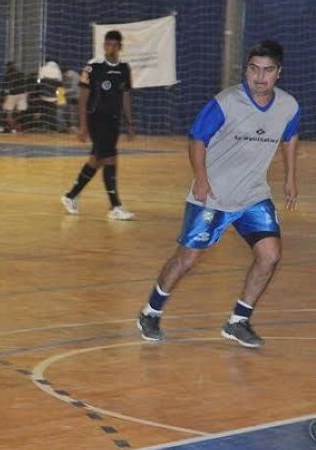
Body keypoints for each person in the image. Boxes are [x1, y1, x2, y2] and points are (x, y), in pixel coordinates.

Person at [136, 40, 299, 348]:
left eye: (267, 70)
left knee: (271, 254)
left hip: (253, 195)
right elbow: (197, 139)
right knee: (187, 260)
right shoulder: (226, 102)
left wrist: (290, 177)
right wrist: (201, 178)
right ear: (246, 69)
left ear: (279, 73)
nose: (260, 77)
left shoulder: (288, 106)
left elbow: (290, 136)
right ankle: (150, 312)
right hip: (213, 194)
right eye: (254, 69)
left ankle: (238, 321)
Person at [61, 30, 135, 220]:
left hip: (114, 120)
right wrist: (83, 126)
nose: (110, 48)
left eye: (114, 45)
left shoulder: (125, 68)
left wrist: (129, 121)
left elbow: (125, 95)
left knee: (97, 159)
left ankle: (70, 196)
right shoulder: (93, 67)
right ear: (104, 46)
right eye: (107, 44)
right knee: (110, 159)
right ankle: (115, 206)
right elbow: (83, 97)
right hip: (96, 120)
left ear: (120, 47)